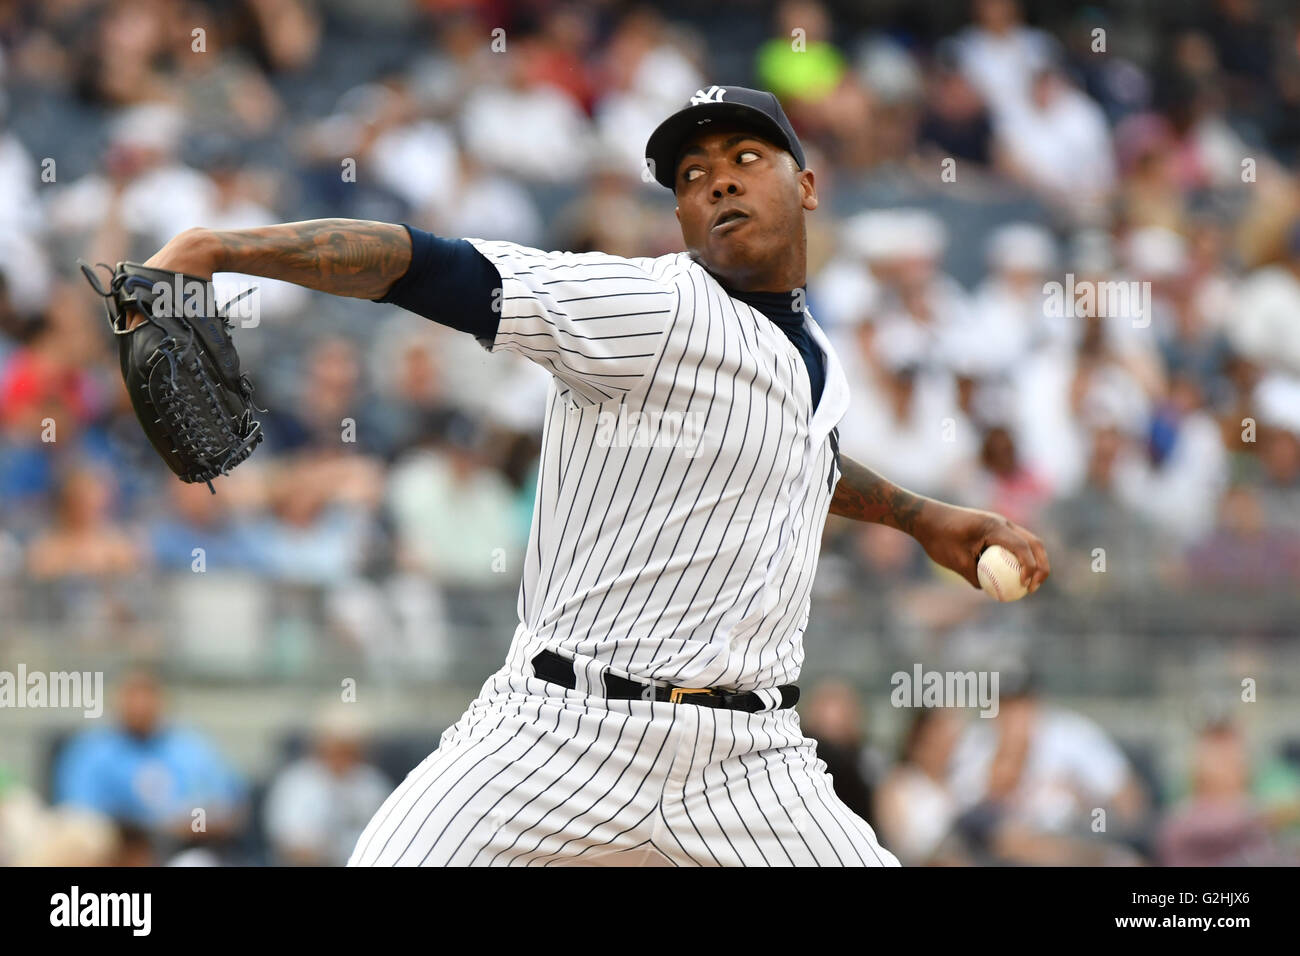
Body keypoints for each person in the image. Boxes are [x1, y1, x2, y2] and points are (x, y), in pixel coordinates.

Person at [133, 85, 1050, 867]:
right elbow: (433, 266)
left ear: (807, 185)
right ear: (682, 217)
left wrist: (923, 516)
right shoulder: (646, 305)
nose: (717, 178)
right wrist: (222, 249)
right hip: (557, 732)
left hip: (751, 759)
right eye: (692, 177)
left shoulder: (815, 357)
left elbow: (793, 460)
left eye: (745, 156)